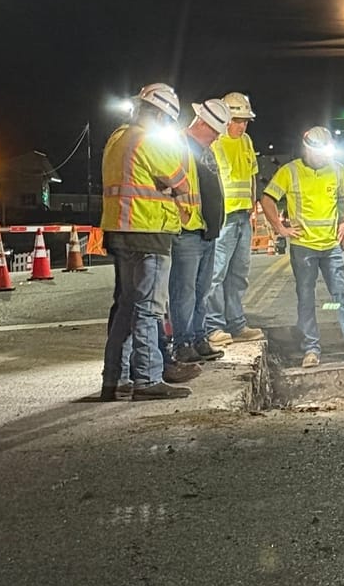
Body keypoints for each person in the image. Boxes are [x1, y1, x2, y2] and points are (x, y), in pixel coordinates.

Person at [99, 83, 195, 401]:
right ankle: (147, 379)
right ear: (160, 114)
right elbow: (180, 179)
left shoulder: (117, 138)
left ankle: (115, 379)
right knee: (149, 309)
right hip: (148, 231)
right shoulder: (150, 140)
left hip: (119, 230)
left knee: (126, 306)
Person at [260, 126, 344, 368]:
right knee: (306, 298)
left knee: (342, 295)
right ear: (307, 148)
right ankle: (311, 349)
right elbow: (267, 198)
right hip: (303, 247)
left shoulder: (336, 169)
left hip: (331, 246)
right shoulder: (290, 171)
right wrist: (280, 229)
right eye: (319, 152)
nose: (324, 157)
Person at [170, 98, 232, 364]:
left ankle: (197, 338)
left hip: (207, 231)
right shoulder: (178, 146)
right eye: (215, 131)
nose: (217, 138)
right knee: (184, 291)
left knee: (201, 290)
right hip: (187, 230)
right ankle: (183, 343)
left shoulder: (206, 149)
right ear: (202, 122)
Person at [203, 91, 264, 348]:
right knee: (215, 274)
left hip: (241, 216)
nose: (242, 125)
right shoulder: (215, 143)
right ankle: (213, 326)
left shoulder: (246, 141)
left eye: (245, 121)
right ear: (226, 118)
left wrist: (252, 204)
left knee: (238, 273)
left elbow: (252, 175)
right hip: (223, 218)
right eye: (237, 120)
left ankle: (236, 324)